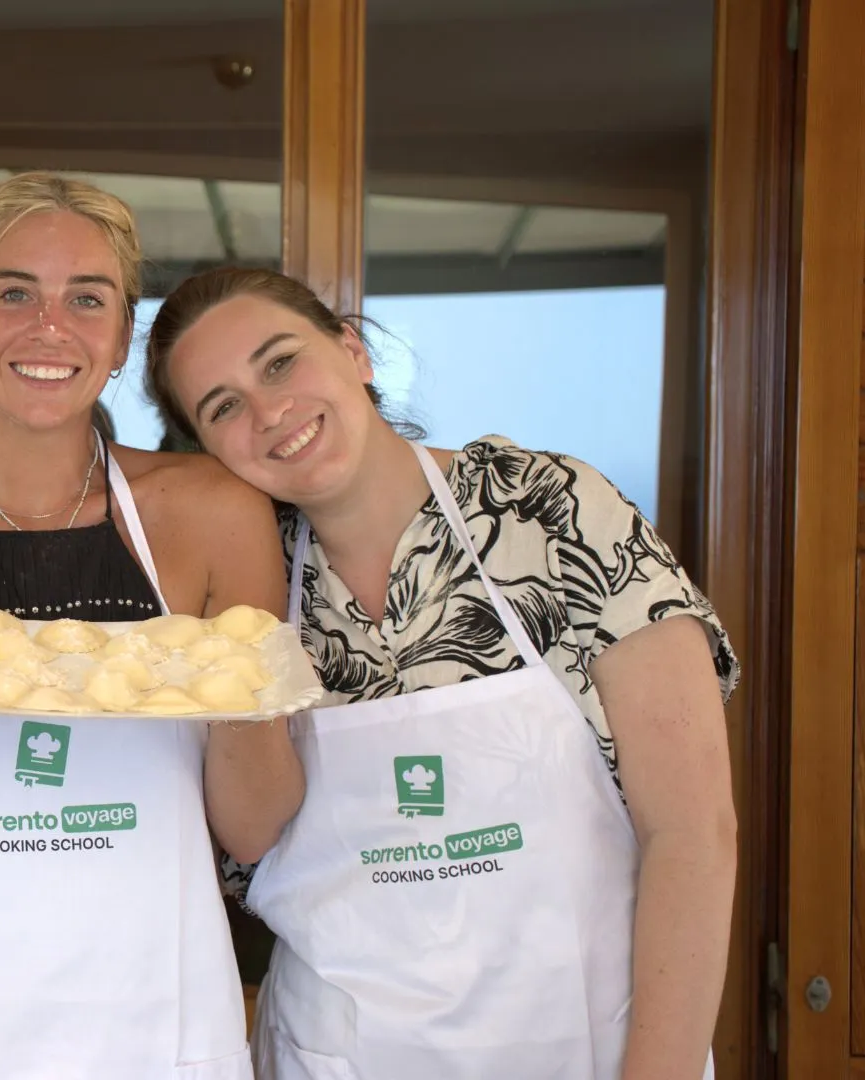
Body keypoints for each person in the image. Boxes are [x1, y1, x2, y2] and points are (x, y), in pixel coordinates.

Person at [142, 266, 739, 1079]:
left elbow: (694, 831)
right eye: (222, 407)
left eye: (281, 362)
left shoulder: (546, 509)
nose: (269, 411)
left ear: (354, 350)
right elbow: (249, 841)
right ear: (206, 449)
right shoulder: (254, 585)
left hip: (586, 1048)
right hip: (340, 1056)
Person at [0, 173, 305, 1080]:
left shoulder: (211, 515)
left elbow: (255, 829)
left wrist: (237, 688)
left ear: (119, 338)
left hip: (161, 1029)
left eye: (87, 299)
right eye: (13, 294)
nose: (49, 327)